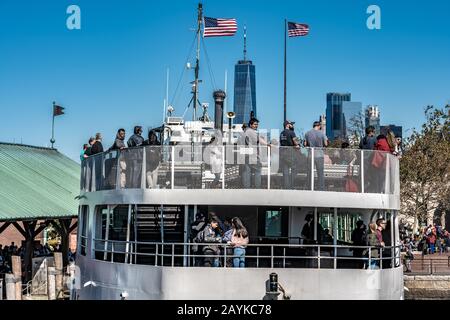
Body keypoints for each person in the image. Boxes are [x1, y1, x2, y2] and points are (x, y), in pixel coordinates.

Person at [241, 118, 269, 189]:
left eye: (257, 124)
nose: (256, 126)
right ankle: (257, 188)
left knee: (247, 171)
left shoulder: (246, 132)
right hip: (252, 155)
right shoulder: (251, 131)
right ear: (250, 125)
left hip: (246, 154)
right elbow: (259, 140)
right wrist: (268, 144)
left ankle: (246, 187)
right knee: (258, 170)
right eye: (255, 124)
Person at [304, 121, 329, 191]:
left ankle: (309, 188)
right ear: (319, 126)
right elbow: (326, 144)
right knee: (320, 172)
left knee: (309, 172)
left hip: (310, 155)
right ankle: (321, 188)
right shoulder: (322, 133)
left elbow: (305, 144)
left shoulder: (307, 133)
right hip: (319, 154)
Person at [280, 120, 300, 189]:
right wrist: (298, 145)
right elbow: (297, 143)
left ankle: (286, 187)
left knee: (285, 171)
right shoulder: (292, 132)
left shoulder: (281, 133)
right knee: (295, 168)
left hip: (283, 153)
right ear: (288, 125)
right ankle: (291, 185)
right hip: (290, 153)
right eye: (291, 124)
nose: (293, 125)